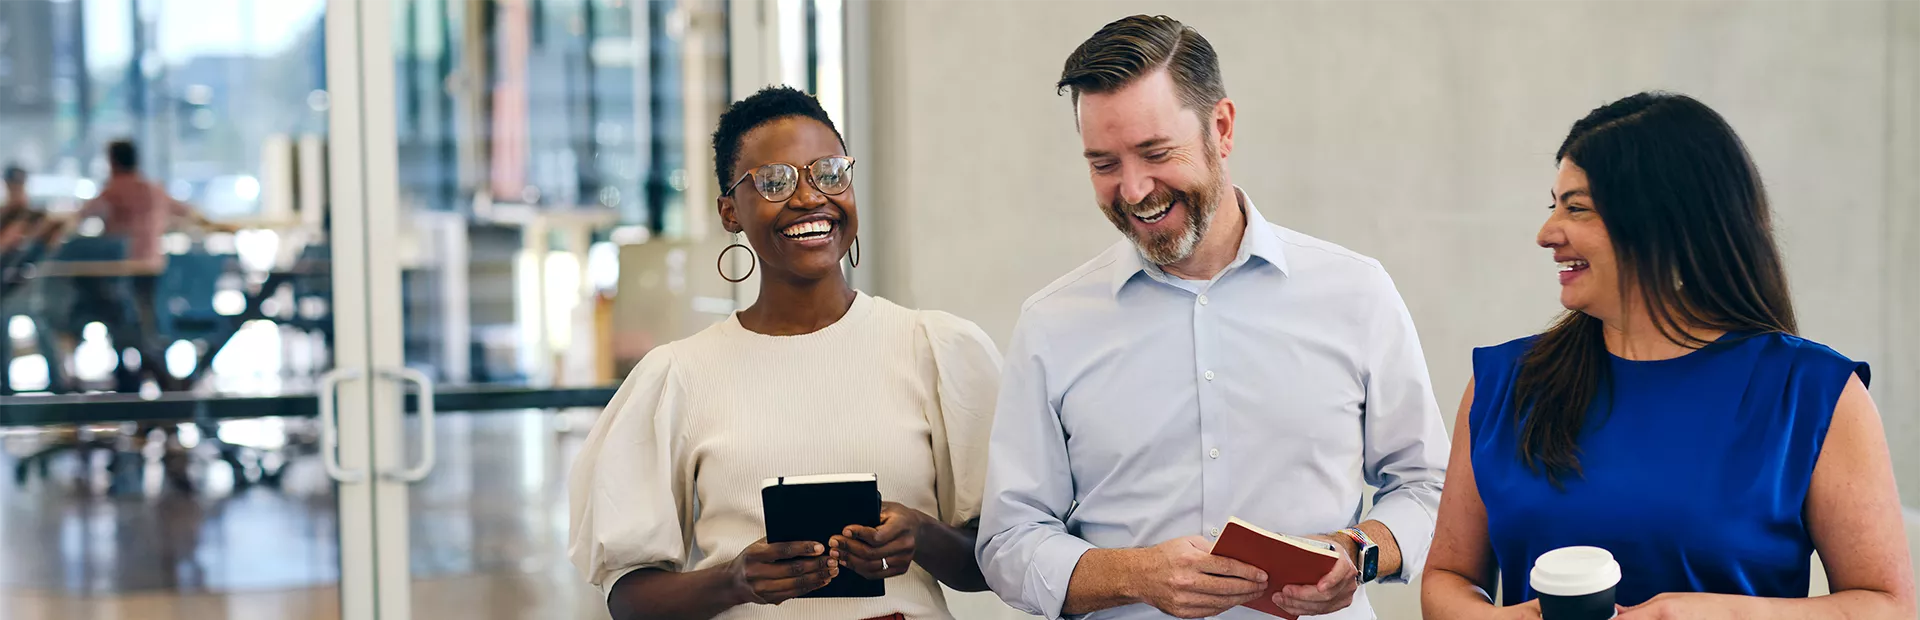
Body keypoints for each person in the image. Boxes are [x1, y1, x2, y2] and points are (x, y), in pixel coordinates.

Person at [976, 15, 1449, 620]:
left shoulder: (1356, 292)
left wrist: (1358, 552)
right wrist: (1133, 575)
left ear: (1221, 128)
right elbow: (1008, 544)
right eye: (1103, 164)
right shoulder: (1051, 324)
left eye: (1155, 153)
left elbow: (1430, 489)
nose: (1133, 188)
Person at [1421, 92, 1917, 619]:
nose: (1547, 234)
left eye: (1577, 208)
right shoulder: (1505, 385)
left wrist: (1711, 616)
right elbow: (1448, 579)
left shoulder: (1815, 393)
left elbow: (1887, 607)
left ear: (1669, 222)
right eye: (1554, 205)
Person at [568, 86, 1002, 620]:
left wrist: (922, 535)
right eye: (774, 182)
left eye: (829, 173)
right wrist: (733, 582)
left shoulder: (935, 350)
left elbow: (999, 561)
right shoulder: (679, 376)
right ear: (730, 211)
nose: (809, 198)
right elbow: (630, 600)